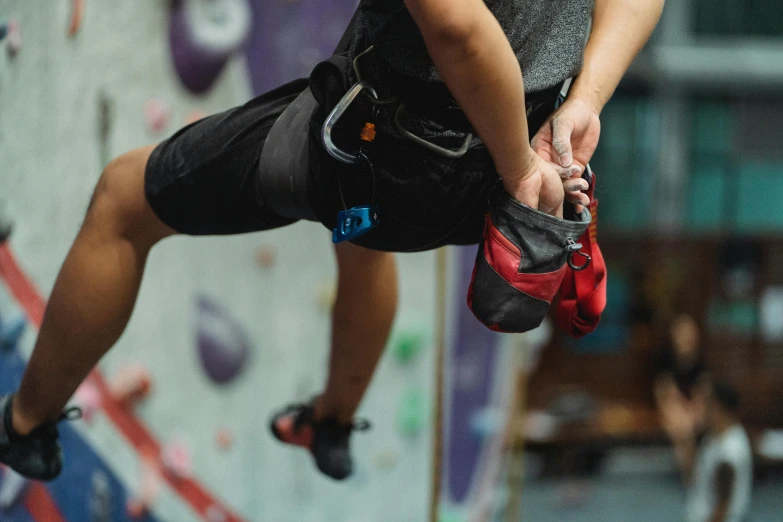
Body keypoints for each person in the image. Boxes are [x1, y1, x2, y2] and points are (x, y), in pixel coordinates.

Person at [0, 0, 664, 481]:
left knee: (122, 201)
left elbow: (457, 27)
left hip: (381, 156)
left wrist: (520, 164)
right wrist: (583, 104)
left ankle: (27, 424)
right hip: (487, 190)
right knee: (360, 233)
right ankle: (333, 423)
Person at [686, 381, 753, 522]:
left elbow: (722, 507)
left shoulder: (729, 452)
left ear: (716, 407)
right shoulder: (714, 437)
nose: (698, 409)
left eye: (703, 404)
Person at [655, 314, 710, 481]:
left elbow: (703, 388)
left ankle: (691, 473)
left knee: (693, 423)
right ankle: (691, 476)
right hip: (671, 404)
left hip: (692, 407)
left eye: (690, 333)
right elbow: (665, 390)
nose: (687, 337)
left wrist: (696, 408)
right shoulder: (665, 358)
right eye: (683, 333)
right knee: (683, 427)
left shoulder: (700, 359)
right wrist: (684, 409)